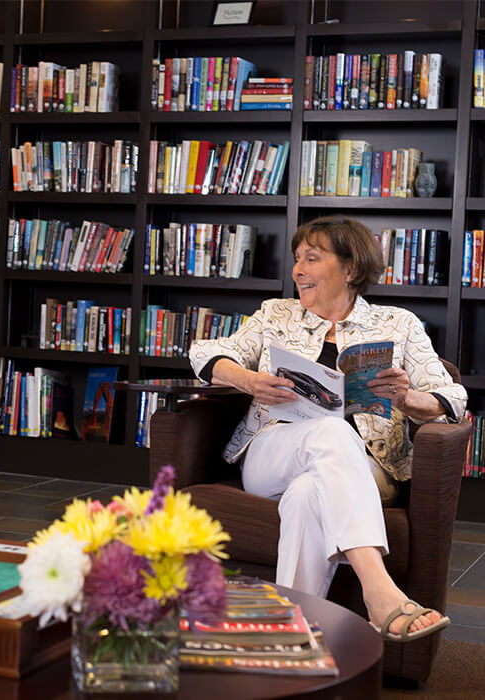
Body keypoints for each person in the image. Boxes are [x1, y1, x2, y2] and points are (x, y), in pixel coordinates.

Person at [188, 215, 467, 642]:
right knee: (332, 433)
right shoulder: (275, 315)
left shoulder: (399, 325)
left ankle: (290, 636)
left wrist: (408, 400)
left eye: (312, 259)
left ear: (350, 269)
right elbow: (204, 352)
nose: (298, 269)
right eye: (297, 259)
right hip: (272, 454)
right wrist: (250, 381)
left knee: (306, 497)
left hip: (368, 469)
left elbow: (453, 398)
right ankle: (380, 590)